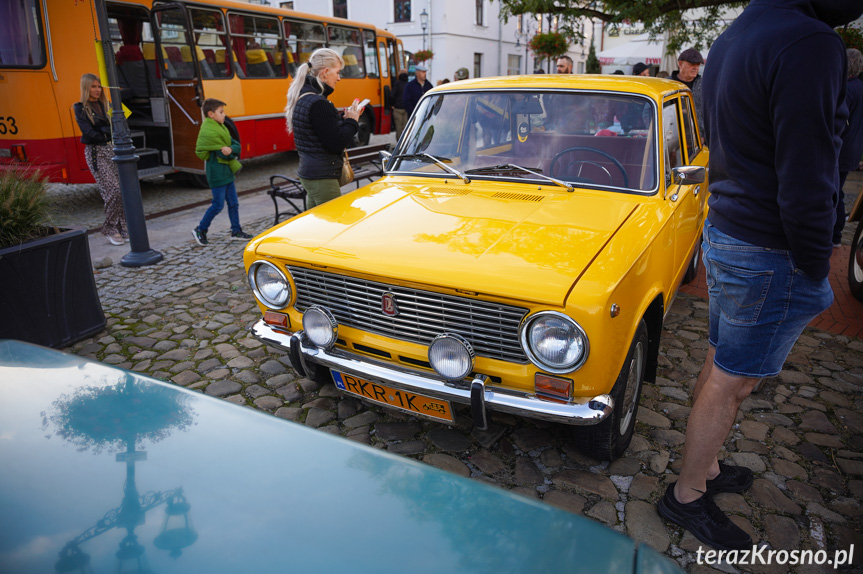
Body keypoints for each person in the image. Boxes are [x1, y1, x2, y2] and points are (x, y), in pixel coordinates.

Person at [656, 0, 858, 552]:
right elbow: (809, 169)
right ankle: (689, 493)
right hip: (768, 244)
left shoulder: (736, 34)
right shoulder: (811, 42)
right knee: (734, 381)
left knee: (722, 360)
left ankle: (709, 468)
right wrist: (816, 261)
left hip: (727, 227)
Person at [283, 48, 361, 208]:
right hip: (322, 176)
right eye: (337, 72)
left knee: (316, 225)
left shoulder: (304, 97)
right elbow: (336, 142)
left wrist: (342, 119)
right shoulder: (319, 103)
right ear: (325, 72)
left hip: (311, 173)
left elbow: (319, 131)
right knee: (334, 224)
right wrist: (352, 121)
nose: (339, 78)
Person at [73, 74, 127, 246]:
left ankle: (121, 226)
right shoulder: (80, 107)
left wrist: (104, 130)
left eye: (99, 87)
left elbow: (119, 125)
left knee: (122, 191)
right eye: (93, 87)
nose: (97, 90)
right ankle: (110, 228)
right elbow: (89, 132)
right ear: (86, 88)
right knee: (113, 190)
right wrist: (105, 131)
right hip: (96, 152)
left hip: (112, 149)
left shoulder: (107, 105)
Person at [192, 99, 252, 245]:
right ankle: (200, 229)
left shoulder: (221, 127)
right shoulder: (209, 131)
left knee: (233, 203)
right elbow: (223, 153)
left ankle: (236, 231)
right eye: (221, 112)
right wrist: (230, 151)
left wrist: (231, 149)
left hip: (226, 172)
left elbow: (236, 145)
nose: (224, 115)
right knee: (218, 205)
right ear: (211, 114)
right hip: (217, 173)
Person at [836, 48, 863, 246]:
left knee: (833, 193)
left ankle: (834, 235)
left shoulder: (847, 90)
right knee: (837, 192)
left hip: (841, 150)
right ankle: (835, 234)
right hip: (853, 150)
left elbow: (838, 123)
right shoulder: (860, 87)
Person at [672, 48, 705, 132]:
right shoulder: (667, 84)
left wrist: (704, 135)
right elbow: (648, 112)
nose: (696, 68)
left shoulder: (704, 85)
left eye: (698, 65)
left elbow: (712, 112)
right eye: (692, 64)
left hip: (700, 139)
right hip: (672, 138)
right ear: (680, 64)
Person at [391, 69, 409, 141]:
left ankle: (399, 146)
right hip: (406, 109)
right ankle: (405, 144)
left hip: (397, 109)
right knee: (406, 128)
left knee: (398, 129)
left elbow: (392, 95)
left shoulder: (397, 84)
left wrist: (392, 104)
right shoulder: (409, 84)